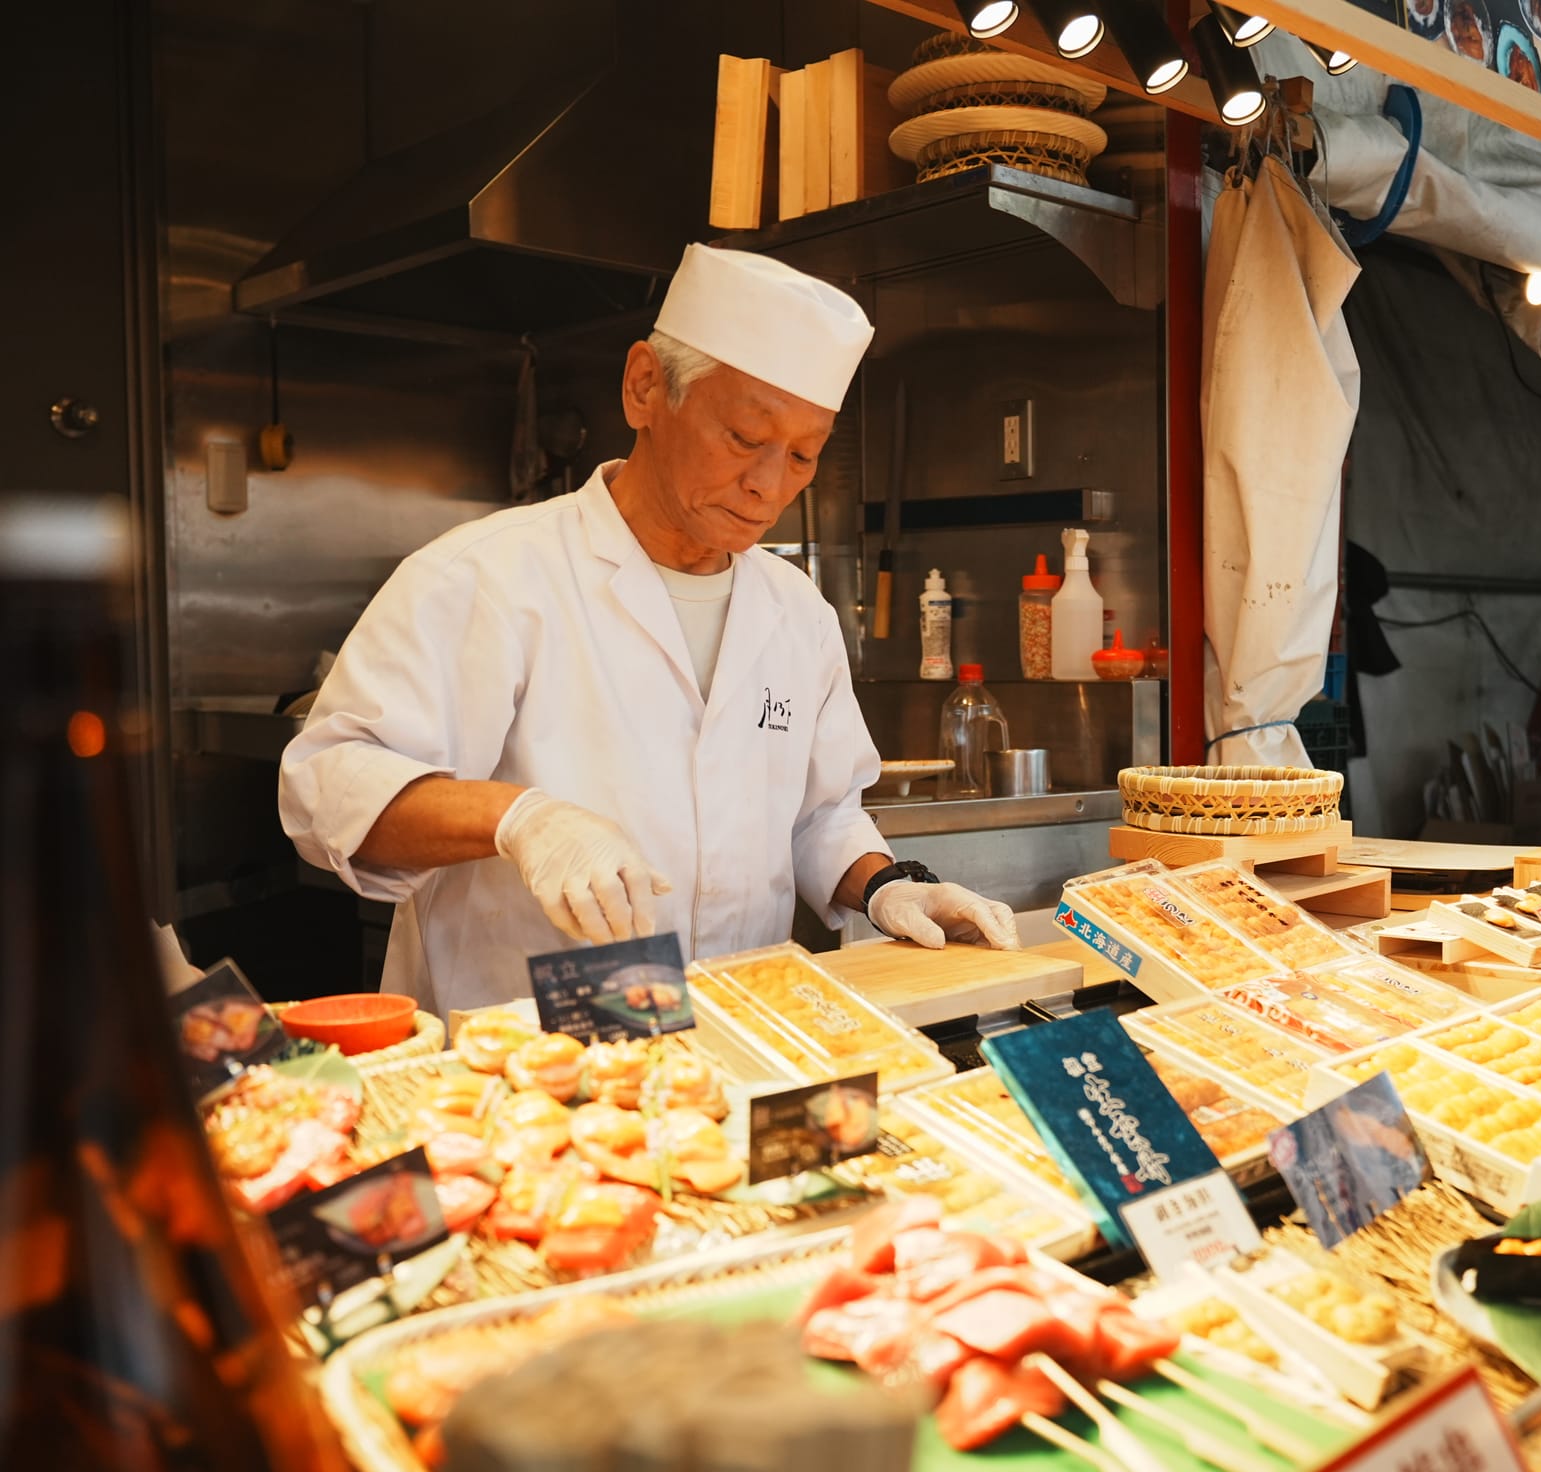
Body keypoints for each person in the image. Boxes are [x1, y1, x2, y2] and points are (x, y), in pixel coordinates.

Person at [279, 245, 1018, 1013]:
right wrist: (522, 820)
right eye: (743, 437)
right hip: (521, 1057)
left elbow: (821, 814)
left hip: (733, 1040)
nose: (770, 484)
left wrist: (887, 886)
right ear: (645, 388)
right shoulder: (487, 577)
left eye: (803, 455)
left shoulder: (797, 615)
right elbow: (330, 786)